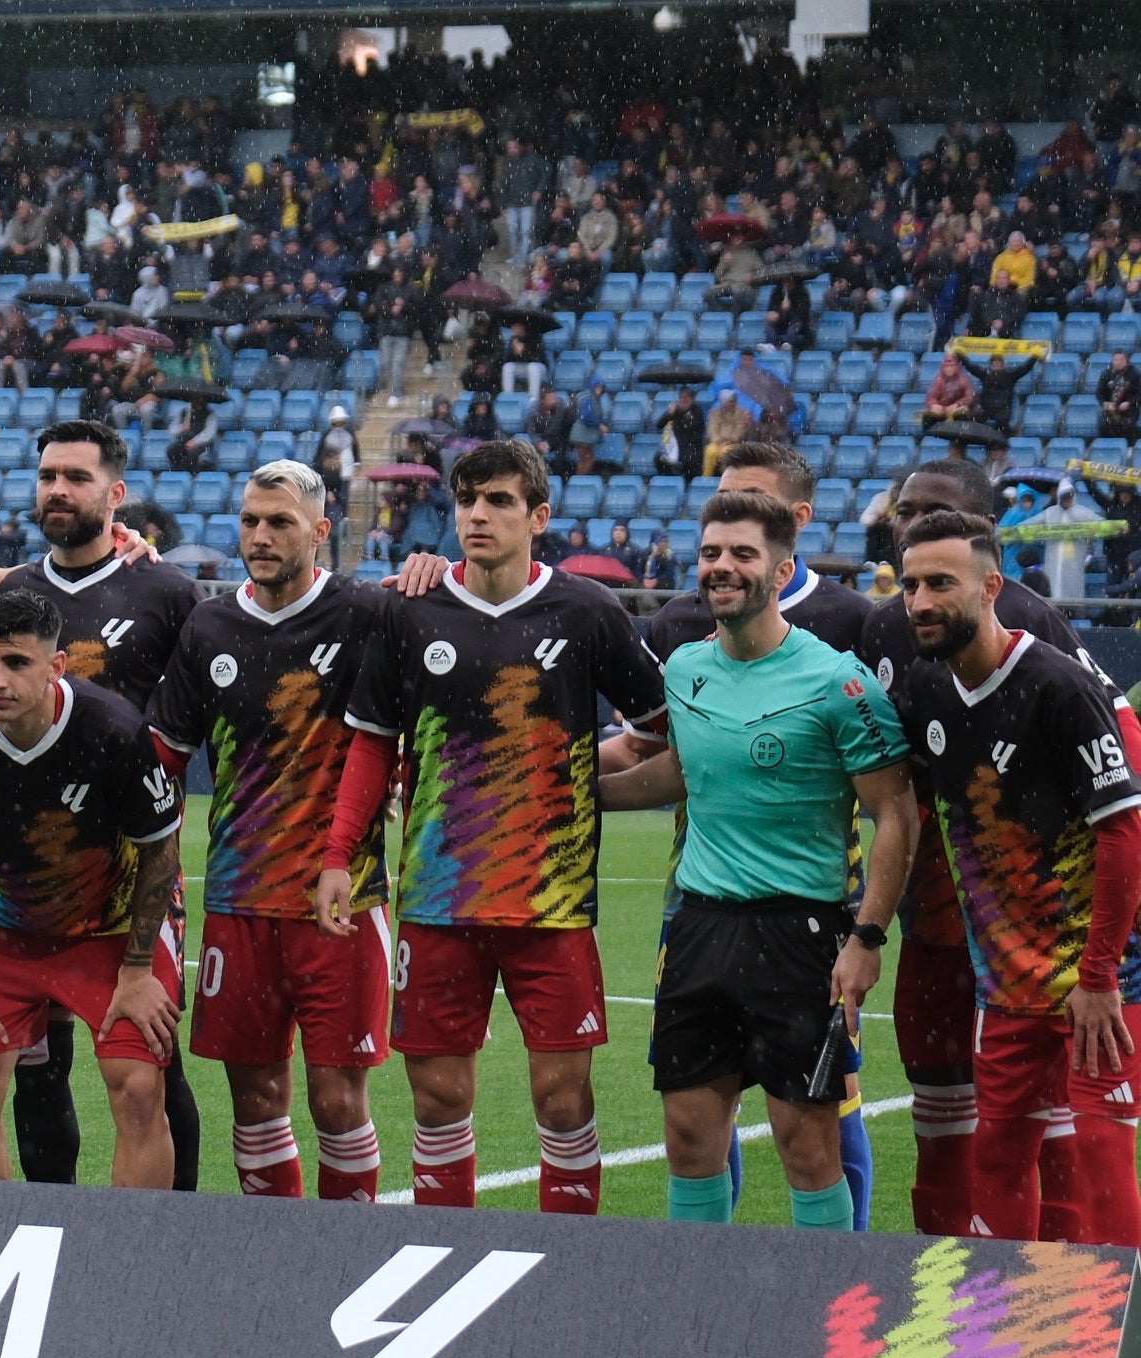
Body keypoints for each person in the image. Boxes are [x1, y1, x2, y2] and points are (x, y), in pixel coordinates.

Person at [317, 439, 669, 1212]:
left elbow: (658, 726)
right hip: (439, 902)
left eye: (500, 501)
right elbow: (373, 744)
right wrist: (340, 854)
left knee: (563, 1099)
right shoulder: (411, 611)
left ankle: (564, 1265)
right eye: (467, 501)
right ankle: (450, 1253)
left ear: (539, 517)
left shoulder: (588, 612)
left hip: (553, 905)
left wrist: (587, 781)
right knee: (438, 1098)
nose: (479, 515)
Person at [597, 492, 916, 1230]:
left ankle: (826, 1318)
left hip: (801, 934)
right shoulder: (683, 669)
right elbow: (685, 771)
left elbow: (896, 814)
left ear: (780, 570)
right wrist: (584, 794)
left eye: (742, 555)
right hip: (700, 926)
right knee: (688, 1138)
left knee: (805, 1143)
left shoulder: (838, 681)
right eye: (711, 553)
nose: (722, 567)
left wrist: (867, 939)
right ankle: (695, 1314)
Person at [145, 460, 398, 1200]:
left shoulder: (365, 615)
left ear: (320, 532)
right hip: (238, 899)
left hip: (342, 902)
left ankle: (343, 1261)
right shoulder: (210, 623)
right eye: (251, 520)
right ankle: (280, 1258)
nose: (260, 536)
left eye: (280, 522)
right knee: (255, 1103)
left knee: (338, 1103)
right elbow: (164, 753)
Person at [889, 508, 1141, 1246]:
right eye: (910, 585)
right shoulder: (926, 692)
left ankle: (1123, 1350)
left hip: (1101, 981)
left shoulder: (1060, 687)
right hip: (1007, 989)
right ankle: (1010, 1327)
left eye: (941, 582)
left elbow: (1124, 834)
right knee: (995, 1155)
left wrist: (1097, 977)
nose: (922, 600)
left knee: (1099, 1156)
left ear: (991, 586)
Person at [0, 417, 206, 1188]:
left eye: (76, 478)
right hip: (29, 872)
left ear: (115, 494)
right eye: (48, 475)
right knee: (36, 1065)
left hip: (133, 872)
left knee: (150, 1060)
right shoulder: (13, 591)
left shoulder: (169, 592)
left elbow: (211, 711)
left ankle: (169, 1231)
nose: (57, 490)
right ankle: (57, 1223)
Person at [0, 589, 187, 1186]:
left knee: (141, 1089)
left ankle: (128, 1267)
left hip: (111, 926)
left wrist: (138, 972)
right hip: (7, 919)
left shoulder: (111, 728)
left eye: (16, 663)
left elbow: (160, 852)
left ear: (55, 666)